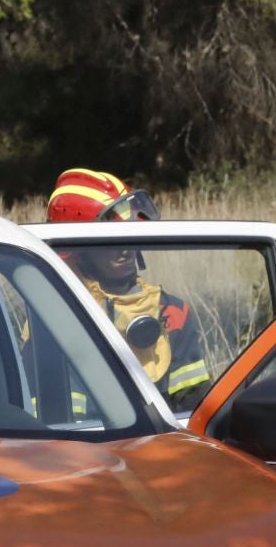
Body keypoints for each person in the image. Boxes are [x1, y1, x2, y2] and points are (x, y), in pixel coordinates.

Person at [45, 167, 211, 411]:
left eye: (128, 234)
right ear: (77, 250)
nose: (124, 248)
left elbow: (194, 411)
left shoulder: (172, 313)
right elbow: (52, 420)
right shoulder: (54, 319)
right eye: (108, 239)